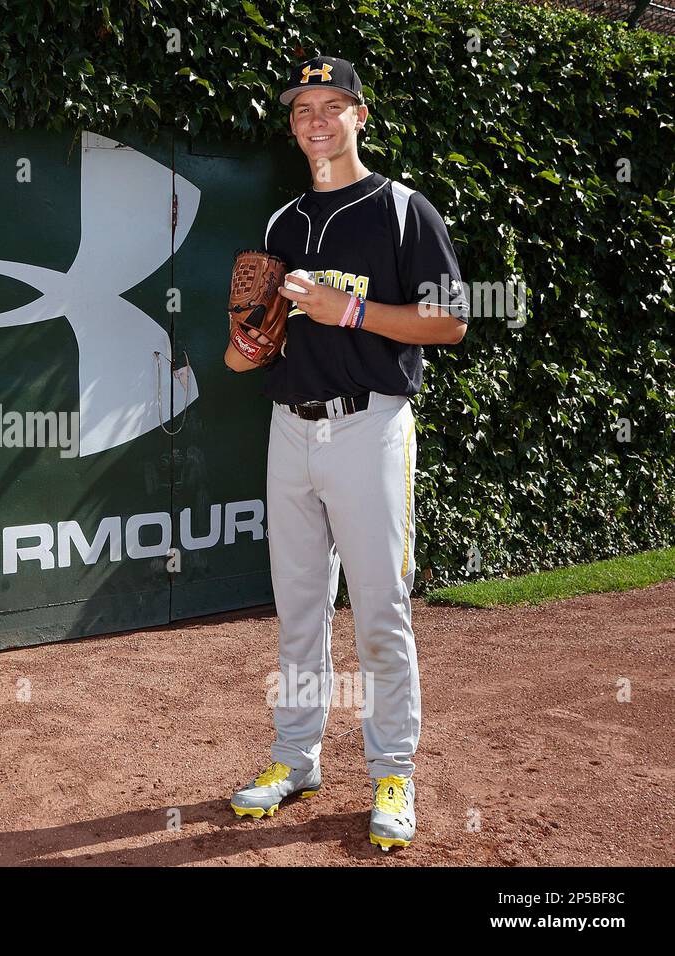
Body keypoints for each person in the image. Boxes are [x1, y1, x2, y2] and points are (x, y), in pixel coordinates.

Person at [224, 56, 469, 851]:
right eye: (303, 109)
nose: (316, 119)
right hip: (289, 427)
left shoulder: (402, 210)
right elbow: (261, 343)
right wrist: (249, 344)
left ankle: (392, 768)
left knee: (378, 611)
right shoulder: (280, 225)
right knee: (297, 610)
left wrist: (349, 309)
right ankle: (295, 758)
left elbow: (449, 324)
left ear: (360, 115)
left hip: (370, 427)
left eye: (332, 105)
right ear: (293, 125)